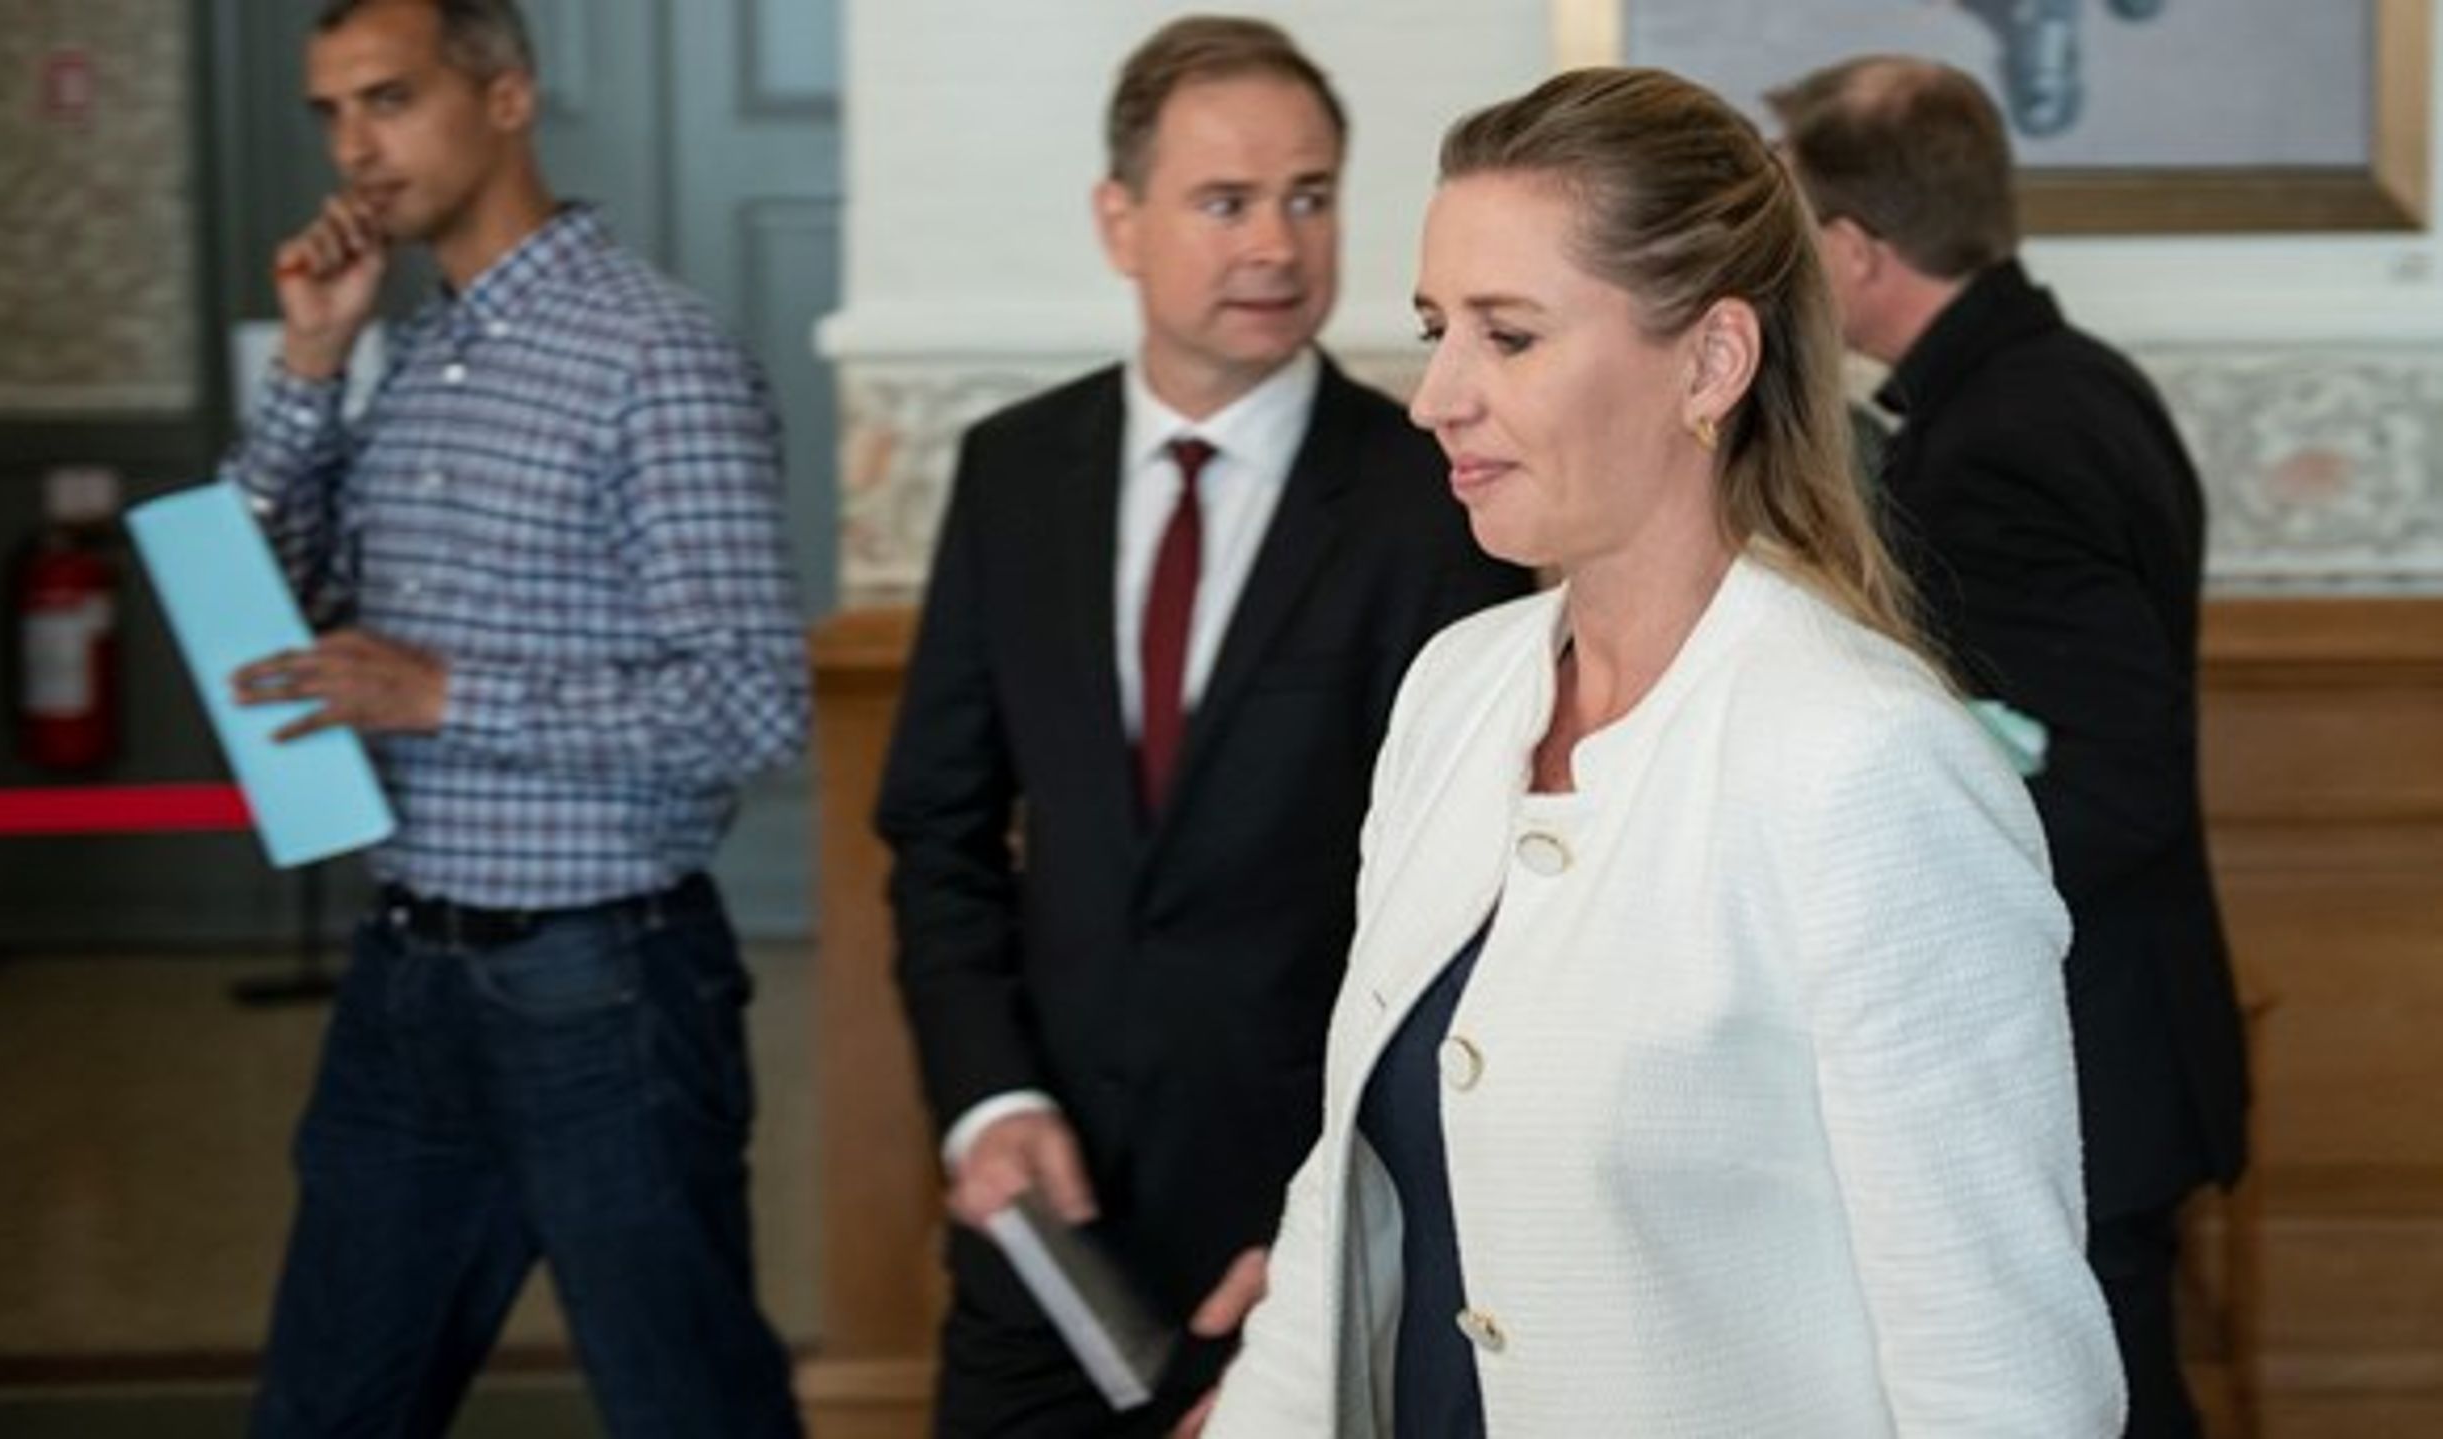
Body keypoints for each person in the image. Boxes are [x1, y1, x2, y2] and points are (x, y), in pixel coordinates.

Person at [1205, 67, 2127, 1435]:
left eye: (1508, 336)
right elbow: (1348, 1199)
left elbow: (2002, 1384)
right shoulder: (1456, 694)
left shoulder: (1865, 762)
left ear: (1710, 363)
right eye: (1436, 329)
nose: (1434, 396)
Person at [874, 16, 1529, 1437]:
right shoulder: (1012, 472)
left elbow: (1466, 912)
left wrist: (1342, 1214)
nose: (1277, 247)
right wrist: (986, 1101)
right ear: (1119, 220)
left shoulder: (1431, 500)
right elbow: (937, 833)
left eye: (1310, 196)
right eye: (1226, 203)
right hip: (1042, 1229)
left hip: (1299, 1238)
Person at [224, 2, 807, 1434]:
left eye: (390, 99)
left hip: (606, 989)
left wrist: (440, 694)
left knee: (689, 1413)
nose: (354, 149)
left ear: (506, 99)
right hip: (405, 978)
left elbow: (752, 703)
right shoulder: (412, 361)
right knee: (322, 1414)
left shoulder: (654, 355)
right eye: (331, 114)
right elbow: (270, 615)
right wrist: (310, 364)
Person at [1770, 55, 2249, 1436]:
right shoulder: (2077, 380)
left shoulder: (1996, 442)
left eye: (1794, 223)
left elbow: (2113, 781)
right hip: (2125, 1021)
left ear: (1854, 250)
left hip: (2086, 1045)